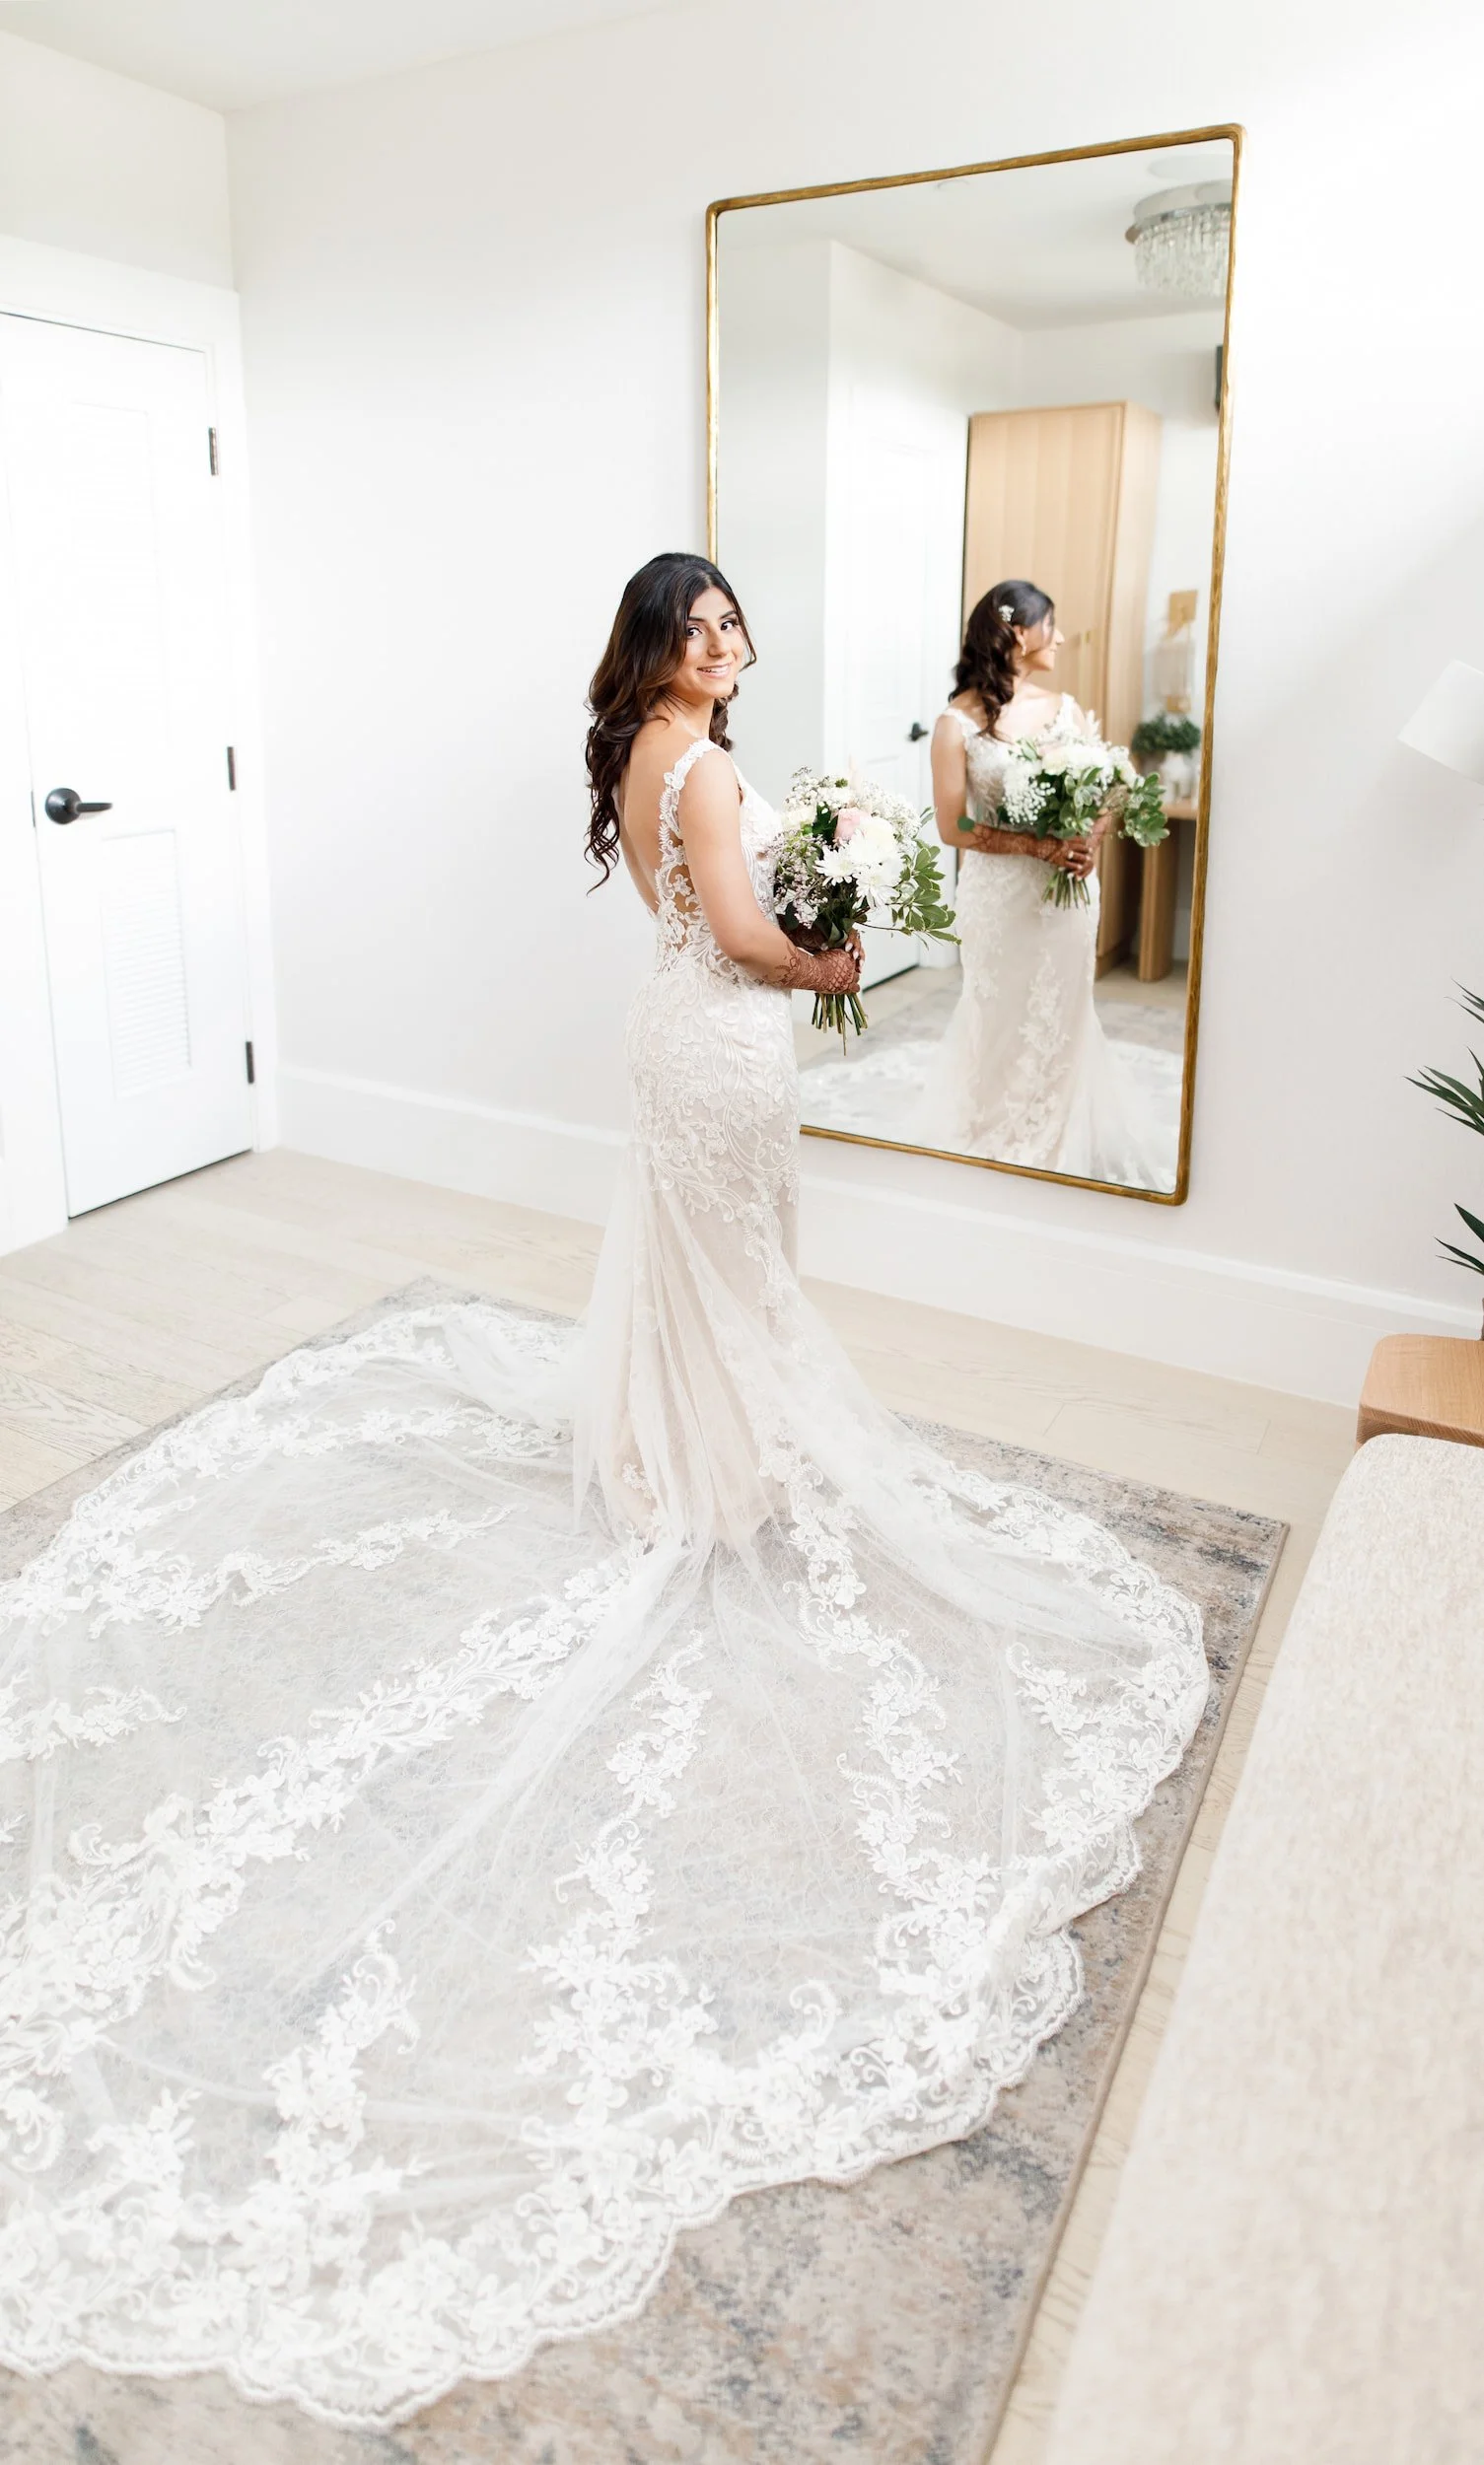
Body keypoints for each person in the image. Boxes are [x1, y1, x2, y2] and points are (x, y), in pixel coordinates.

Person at [0, 553, 1205, 2427]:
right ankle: (713, 1474)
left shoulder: (647, 749)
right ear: (663, 647)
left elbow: (682, 911)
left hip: (664, 1055)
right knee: (747, 1270)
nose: (727, 643)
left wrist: (801, 924)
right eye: (702, 625)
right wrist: (829, 960)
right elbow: (733, 933)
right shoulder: (709, 771)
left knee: (698, 1268)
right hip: (722, 1045)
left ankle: (680, 1447)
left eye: (734, 622)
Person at [931, 580, 1170, 1184]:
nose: (1060, 637)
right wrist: (1037, 844)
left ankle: (1059, 1134)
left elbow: (1110, 792)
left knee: (1063, 1010)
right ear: (1017, 631)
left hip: (1066, 897)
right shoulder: (955, 724)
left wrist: (1092, 838)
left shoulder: (1065, 710)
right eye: (1051, 625)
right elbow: (954, 825)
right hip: (999, 897)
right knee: (999, 1014)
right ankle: (990, 1127)